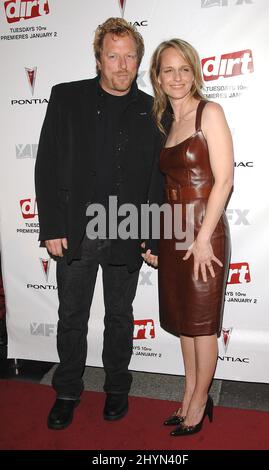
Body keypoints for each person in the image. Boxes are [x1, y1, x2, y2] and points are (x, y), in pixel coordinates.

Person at [35, 17, 163, 430]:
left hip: (126, 228)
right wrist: (51, 225)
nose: (122, 65)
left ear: (138, 61)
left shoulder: (151, 108)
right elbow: (47, 165)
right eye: (113, 56)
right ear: (98, 58)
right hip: (76, 228)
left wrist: (152, 235)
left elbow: (155, 180)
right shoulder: (65, 98)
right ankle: (68, 390)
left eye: (130, 57)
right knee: (72, 314)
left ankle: (117, 388)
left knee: (120, 316)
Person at [147, 39, 233, 436]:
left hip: (204, 228)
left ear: (194, 71)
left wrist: (202, 238)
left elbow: (225, 179)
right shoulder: (166, 121)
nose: (177, 77)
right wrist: (161, 240)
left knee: (201, 324)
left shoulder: (208, 112)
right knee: (184, 323)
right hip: (174, 228)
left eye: (184, 68)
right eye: (168, 70)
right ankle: (187, 395)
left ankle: (200, 402)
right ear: (158, 77)